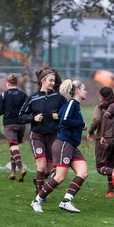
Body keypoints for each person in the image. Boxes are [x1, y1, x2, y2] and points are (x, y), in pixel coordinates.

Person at [30, 78, 88, 213]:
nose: (86, 92)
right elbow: (65, 120)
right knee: (60, 177)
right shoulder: (72, 103)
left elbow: (61, 115)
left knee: (83, 172)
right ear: (78, 91)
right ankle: (36, 201)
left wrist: (81, 126)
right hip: (64, 144)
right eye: (84, 89)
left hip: (71, 145)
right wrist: (80, 124)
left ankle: (66, 202)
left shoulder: (73, 105)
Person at [19, 67, 67, 197]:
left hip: (53, 137)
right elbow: (21, 116)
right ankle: (39, 194)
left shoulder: (59, 98)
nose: (53, 83)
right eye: (51, 80)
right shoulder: (33, 98)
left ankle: (38, 181)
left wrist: (59, 116)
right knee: (41, 166)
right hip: (37, 137)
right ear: (43, 80)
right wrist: (33, 118)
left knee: (50, 169)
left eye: (54, 81)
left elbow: (67, 114)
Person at [87, 87, 114, 198]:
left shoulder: (100, 107)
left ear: (102, 96)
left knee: (101, 167)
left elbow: (97, 120)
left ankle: (113, 173)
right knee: (111, 164)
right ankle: (110, 192)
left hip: (103, 138)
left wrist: (91, 132)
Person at [0, 73, 27, 181]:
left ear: (8, 83)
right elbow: (27, 110)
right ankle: (13, 173)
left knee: (14, 147)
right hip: (21, 125)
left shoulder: (4, 95)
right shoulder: (23, 95)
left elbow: (0, 112)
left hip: (9, 125)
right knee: (13, 147)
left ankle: (21, 168)